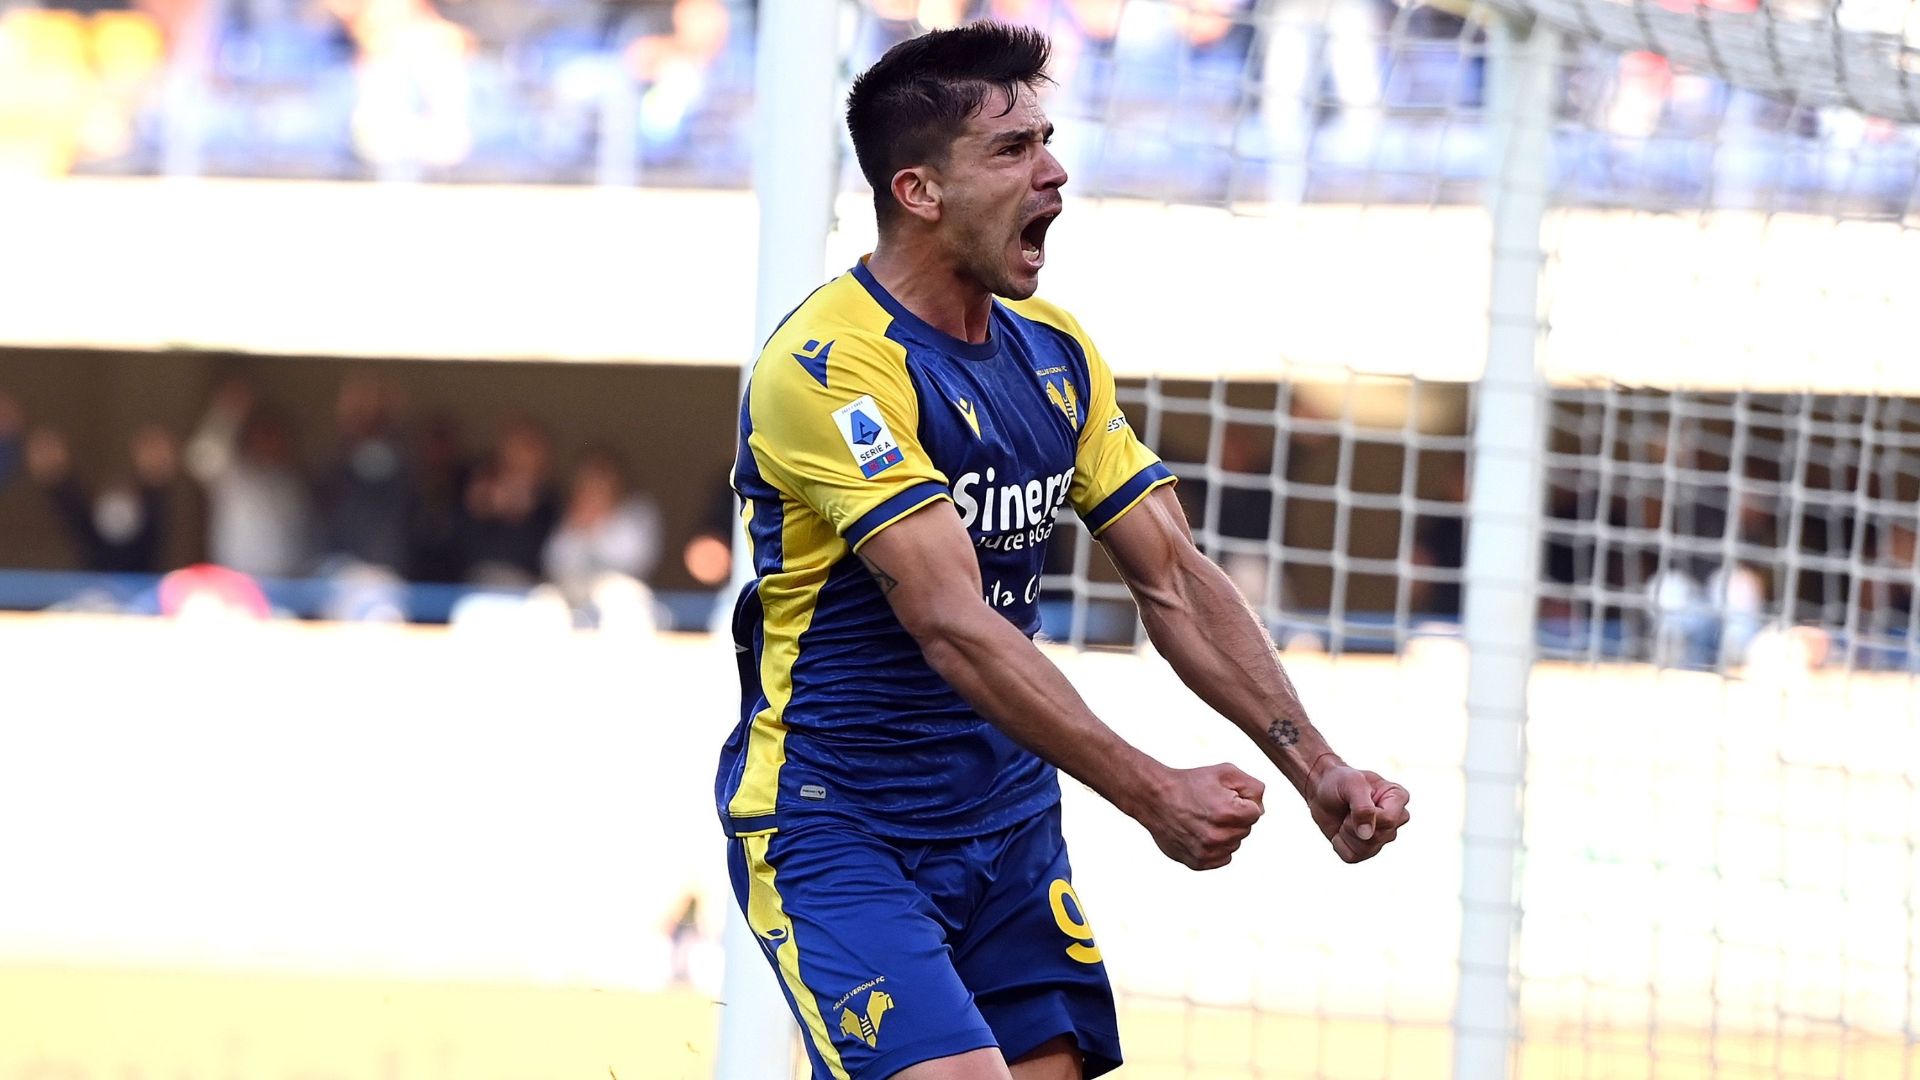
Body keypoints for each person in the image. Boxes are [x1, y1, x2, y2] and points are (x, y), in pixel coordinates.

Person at [714, 22, 1410, 1080]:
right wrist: (1149, 790)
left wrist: (1317, 767)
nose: (1055, 170)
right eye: (1011, 150)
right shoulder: (829, 367)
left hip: (1005, 821)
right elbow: (949, 619)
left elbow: (1171, 577)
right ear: (918, 191)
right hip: (839, 825)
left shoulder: (1057, 354)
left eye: (1047, 139)